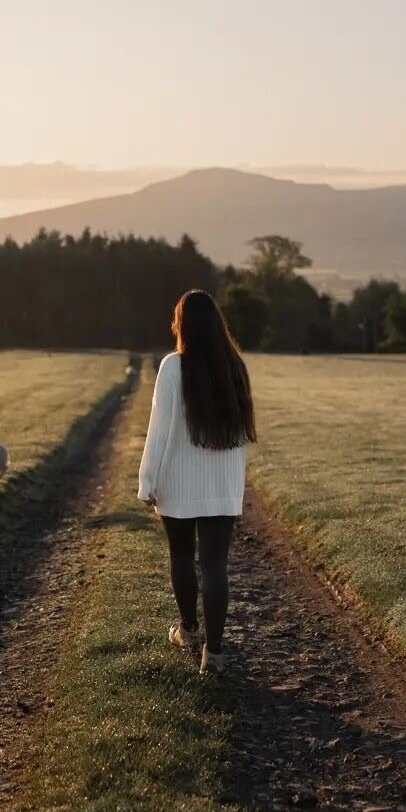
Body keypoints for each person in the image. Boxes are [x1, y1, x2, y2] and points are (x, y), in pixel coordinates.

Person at [138, 289, 256, 675]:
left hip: (178, 479)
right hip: (222, 481)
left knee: (183, 557)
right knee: (216, 565)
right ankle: (215, 654)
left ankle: (188, 632)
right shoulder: (235, 365)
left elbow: (159, 430)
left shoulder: (173, 366)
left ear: (182, 325)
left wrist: (147, 480)